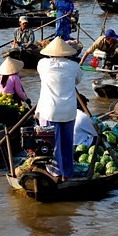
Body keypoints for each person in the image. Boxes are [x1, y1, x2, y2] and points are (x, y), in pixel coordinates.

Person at [36, 37, 82, 181]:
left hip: (49, 110)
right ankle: (66, 173)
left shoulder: (42, 64)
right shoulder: (74, 66)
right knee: (67, 142)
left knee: (51, 144)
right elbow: (77, 80)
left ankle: (54, 172)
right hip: (68, 109)